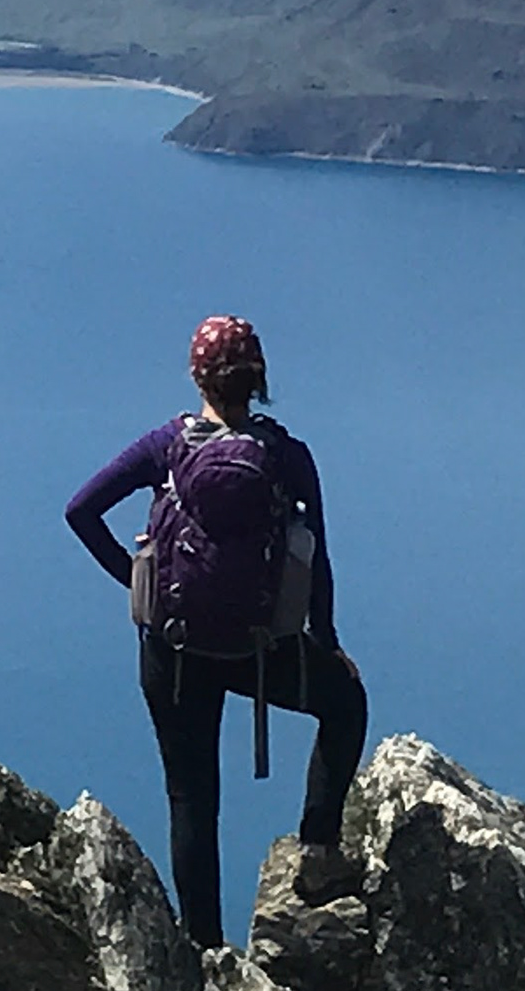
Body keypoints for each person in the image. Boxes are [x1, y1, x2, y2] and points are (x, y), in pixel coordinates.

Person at [65, 313, 369, 948]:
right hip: (260, 650)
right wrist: (329, 643)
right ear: (259, 380)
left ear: (197, 376)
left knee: (191, 796)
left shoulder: (166, 448)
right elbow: (317, 559)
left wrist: (135, 584)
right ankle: (318, 854)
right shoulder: (287, 456)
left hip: (173, 650)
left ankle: (205, 950)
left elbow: (81, 510)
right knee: (345, 705)